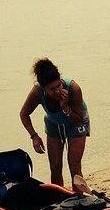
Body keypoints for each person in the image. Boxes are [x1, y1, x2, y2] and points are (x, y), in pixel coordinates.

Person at [19, 58, 91, 193]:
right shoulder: (37, 92)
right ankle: (59, 197)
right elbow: (24, 114)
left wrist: (65, 107)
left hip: (77, 121)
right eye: (52, 89)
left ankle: (79, 198)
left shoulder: (73, 89)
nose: (57, 91)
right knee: (55, 166)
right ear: (43, 88)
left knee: (74, 165)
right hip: (54, 123)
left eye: (59, 86)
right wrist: (34, 136)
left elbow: (78, 119)